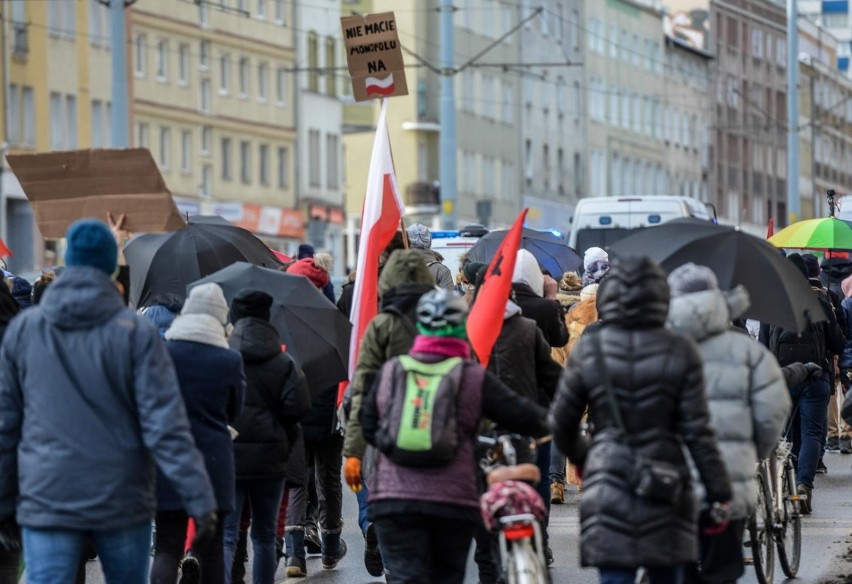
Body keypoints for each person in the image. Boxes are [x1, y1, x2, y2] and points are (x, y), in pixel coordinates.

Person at [0, 219, 217, 584]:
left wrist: (4, 504)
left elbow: (7, 426)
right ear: (110, 267)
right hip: (122, 497)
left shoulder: (26, 330)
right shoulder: (136, 334)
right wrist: (198, 494)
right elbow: (165, 424)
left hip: (48, 496)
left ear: (69, 260)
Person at [549, 256, 733, 584]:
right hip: (667, 482)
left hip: (607, 477)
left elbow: (562, 422)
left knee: (616, 574)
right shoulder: (680, 349)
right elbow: (698, 430)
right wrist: (719, 489)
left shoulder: (590, 348)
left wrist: (586, 458)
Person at [360, 289, 549, 583]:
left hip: (393, 499)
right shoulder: (472, 376)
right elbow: (522, 414)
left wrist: (392, 447)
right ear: (463, 327)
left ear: (419, 327)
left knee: (405, 577)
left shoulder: (391, 371)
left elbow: (368, 424)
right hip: (452, 500)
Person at [665, 263, 791, 584]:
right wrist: (753, 450)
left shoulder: (656, 350)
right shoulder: (747, 351)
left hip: (668, 485)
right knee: (721, 571)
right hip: (727, 485)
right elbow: (772, 410)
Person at [342, 249, 435, 577]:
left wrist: (353, 452)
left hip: (387, 435)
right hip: (435, 431)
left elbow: (361, 390)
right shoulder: (443, 322)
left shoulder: (381, 326)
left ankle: (380, 532)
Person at [151, 283, 246, 584]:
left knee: (167, 545)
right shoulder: (229, 360)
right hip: (214, 458)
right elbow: (235, 411)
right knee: (213, 548)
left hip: (169, 456)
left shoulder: (163, 352)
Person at [223, 290, 311, 584]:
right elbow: (298, 407)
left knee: (228, 534)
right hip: (271, 458)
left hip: (230, 456)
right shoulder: (283, 362)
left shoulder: (224, 357)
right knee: (264, 534)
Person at [475, 287, 563, 581]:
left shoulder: (468, 332)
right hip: (525, 428)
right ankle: (539, 546)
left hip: (482, 437)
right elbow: (553, 378)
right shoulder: (528, 329)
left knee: (484, 516)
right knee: (532, 492)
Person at [768, 253, 845, 513]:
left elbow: (764, 347)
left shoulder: (774, 303)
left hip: (784, 377)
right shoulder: (820, 301)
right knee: (812, 432)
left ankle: (788, 486)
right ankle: (804, 485)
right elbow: (837, 342)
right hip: (816, 376)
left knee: (789, 434)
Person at [282, 265, 347, 578]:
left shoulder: (284, 322)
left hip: (296, 415)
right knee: (329, 482)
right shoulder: (336, 322)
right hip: (331, 416)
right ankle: (331, 550)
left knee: (297, 484)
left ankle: (294, 555)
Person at [550, 283, 600, 504]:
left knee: (565, 428)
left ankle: (557, 482)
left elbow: (557, 359)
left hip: (571, 382)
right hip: (600, 386)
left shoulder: (570, 325)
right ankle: (586, 480)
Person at [511, 249, 569, 349]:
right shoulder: (546, 307)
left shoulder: (501, 304)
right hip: (537, 362)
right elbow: (560, 339)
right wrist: (552, 298)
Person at [406, 223, 454, 289]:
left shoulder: (399, 266)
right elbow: (449, 297)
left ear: (407, 240)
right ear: (429, 241)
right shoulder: (441, 270)